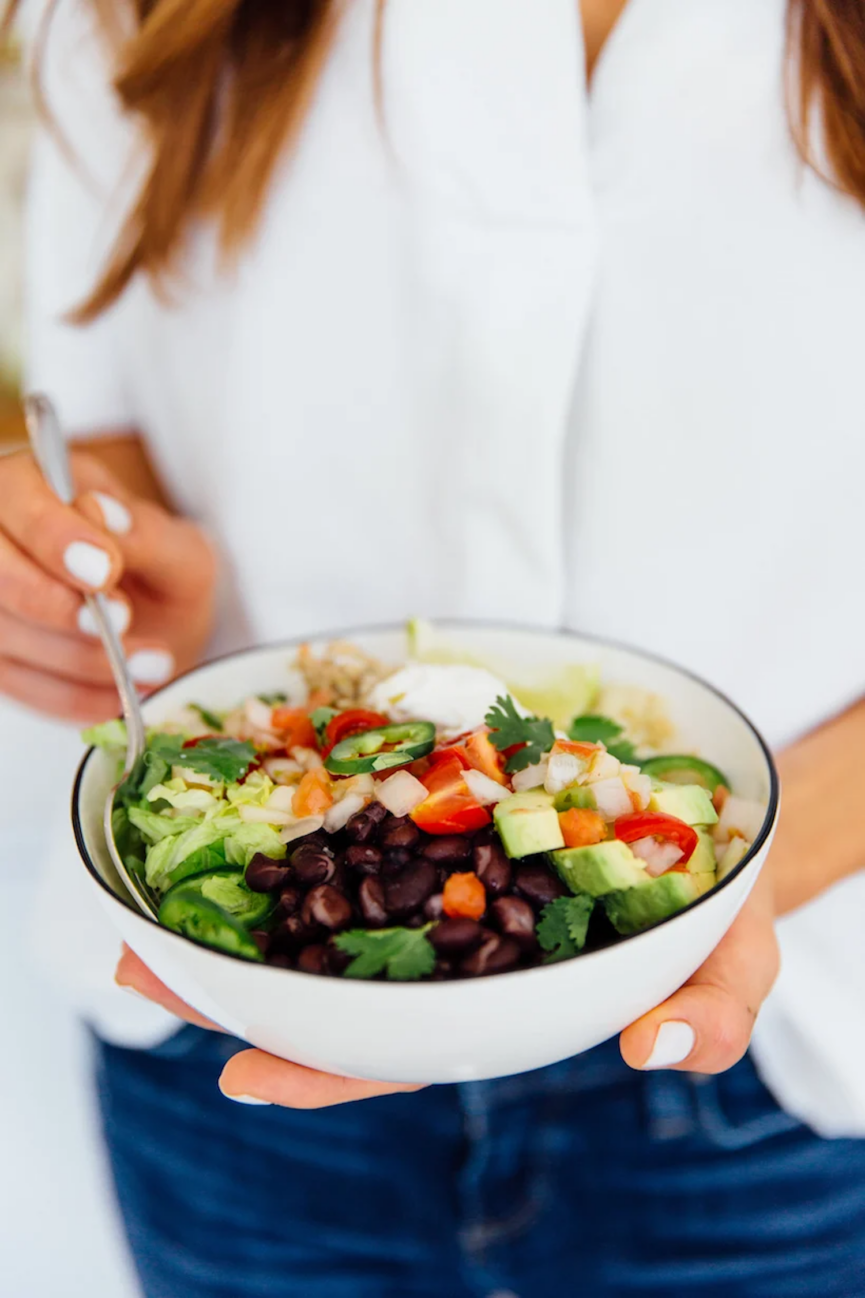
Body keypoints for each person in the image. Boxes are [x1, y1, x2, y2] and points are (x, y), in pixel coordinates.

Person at [3, 0, 865, 1292]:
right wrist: (104, 571)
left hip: (772, 1071)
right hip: (227, 1046)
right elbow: (106, 399)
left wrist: (732, 880)